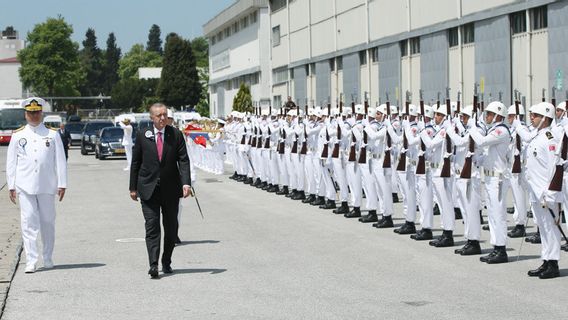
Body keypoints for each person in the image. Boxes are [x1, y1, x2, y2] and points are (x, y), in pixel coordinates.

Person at [129, 103, 191, 279]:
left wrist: (186, 183)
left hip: (171, 189)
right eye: (159, 116)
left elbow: (183, 160)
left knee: (171, 229)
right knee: (152, 227)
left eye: (164, 115)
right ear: (152, 118)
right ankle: (153, 264)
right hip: (148, 189)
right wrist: (132, 187)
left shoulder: (175, 134)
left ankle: (166, 260)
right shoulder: (143, 135)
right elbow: (136, 162)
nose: (163, 118)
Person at [6, 97, 67, 273]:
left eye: (37, 112)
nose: (34, 116)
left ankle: (47, 257)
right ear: (26, 114)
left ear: (42, 113)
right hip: (25, 185)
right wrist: (11, 185)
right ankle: (31, 260)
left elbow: (60, 161)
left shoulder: (52, 134)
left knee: (48, 222)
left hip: (47, 185)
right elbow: (11, 162)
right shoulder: (18, 135)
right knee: (28, 223)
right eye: (31, 113)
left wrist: (62, 183)